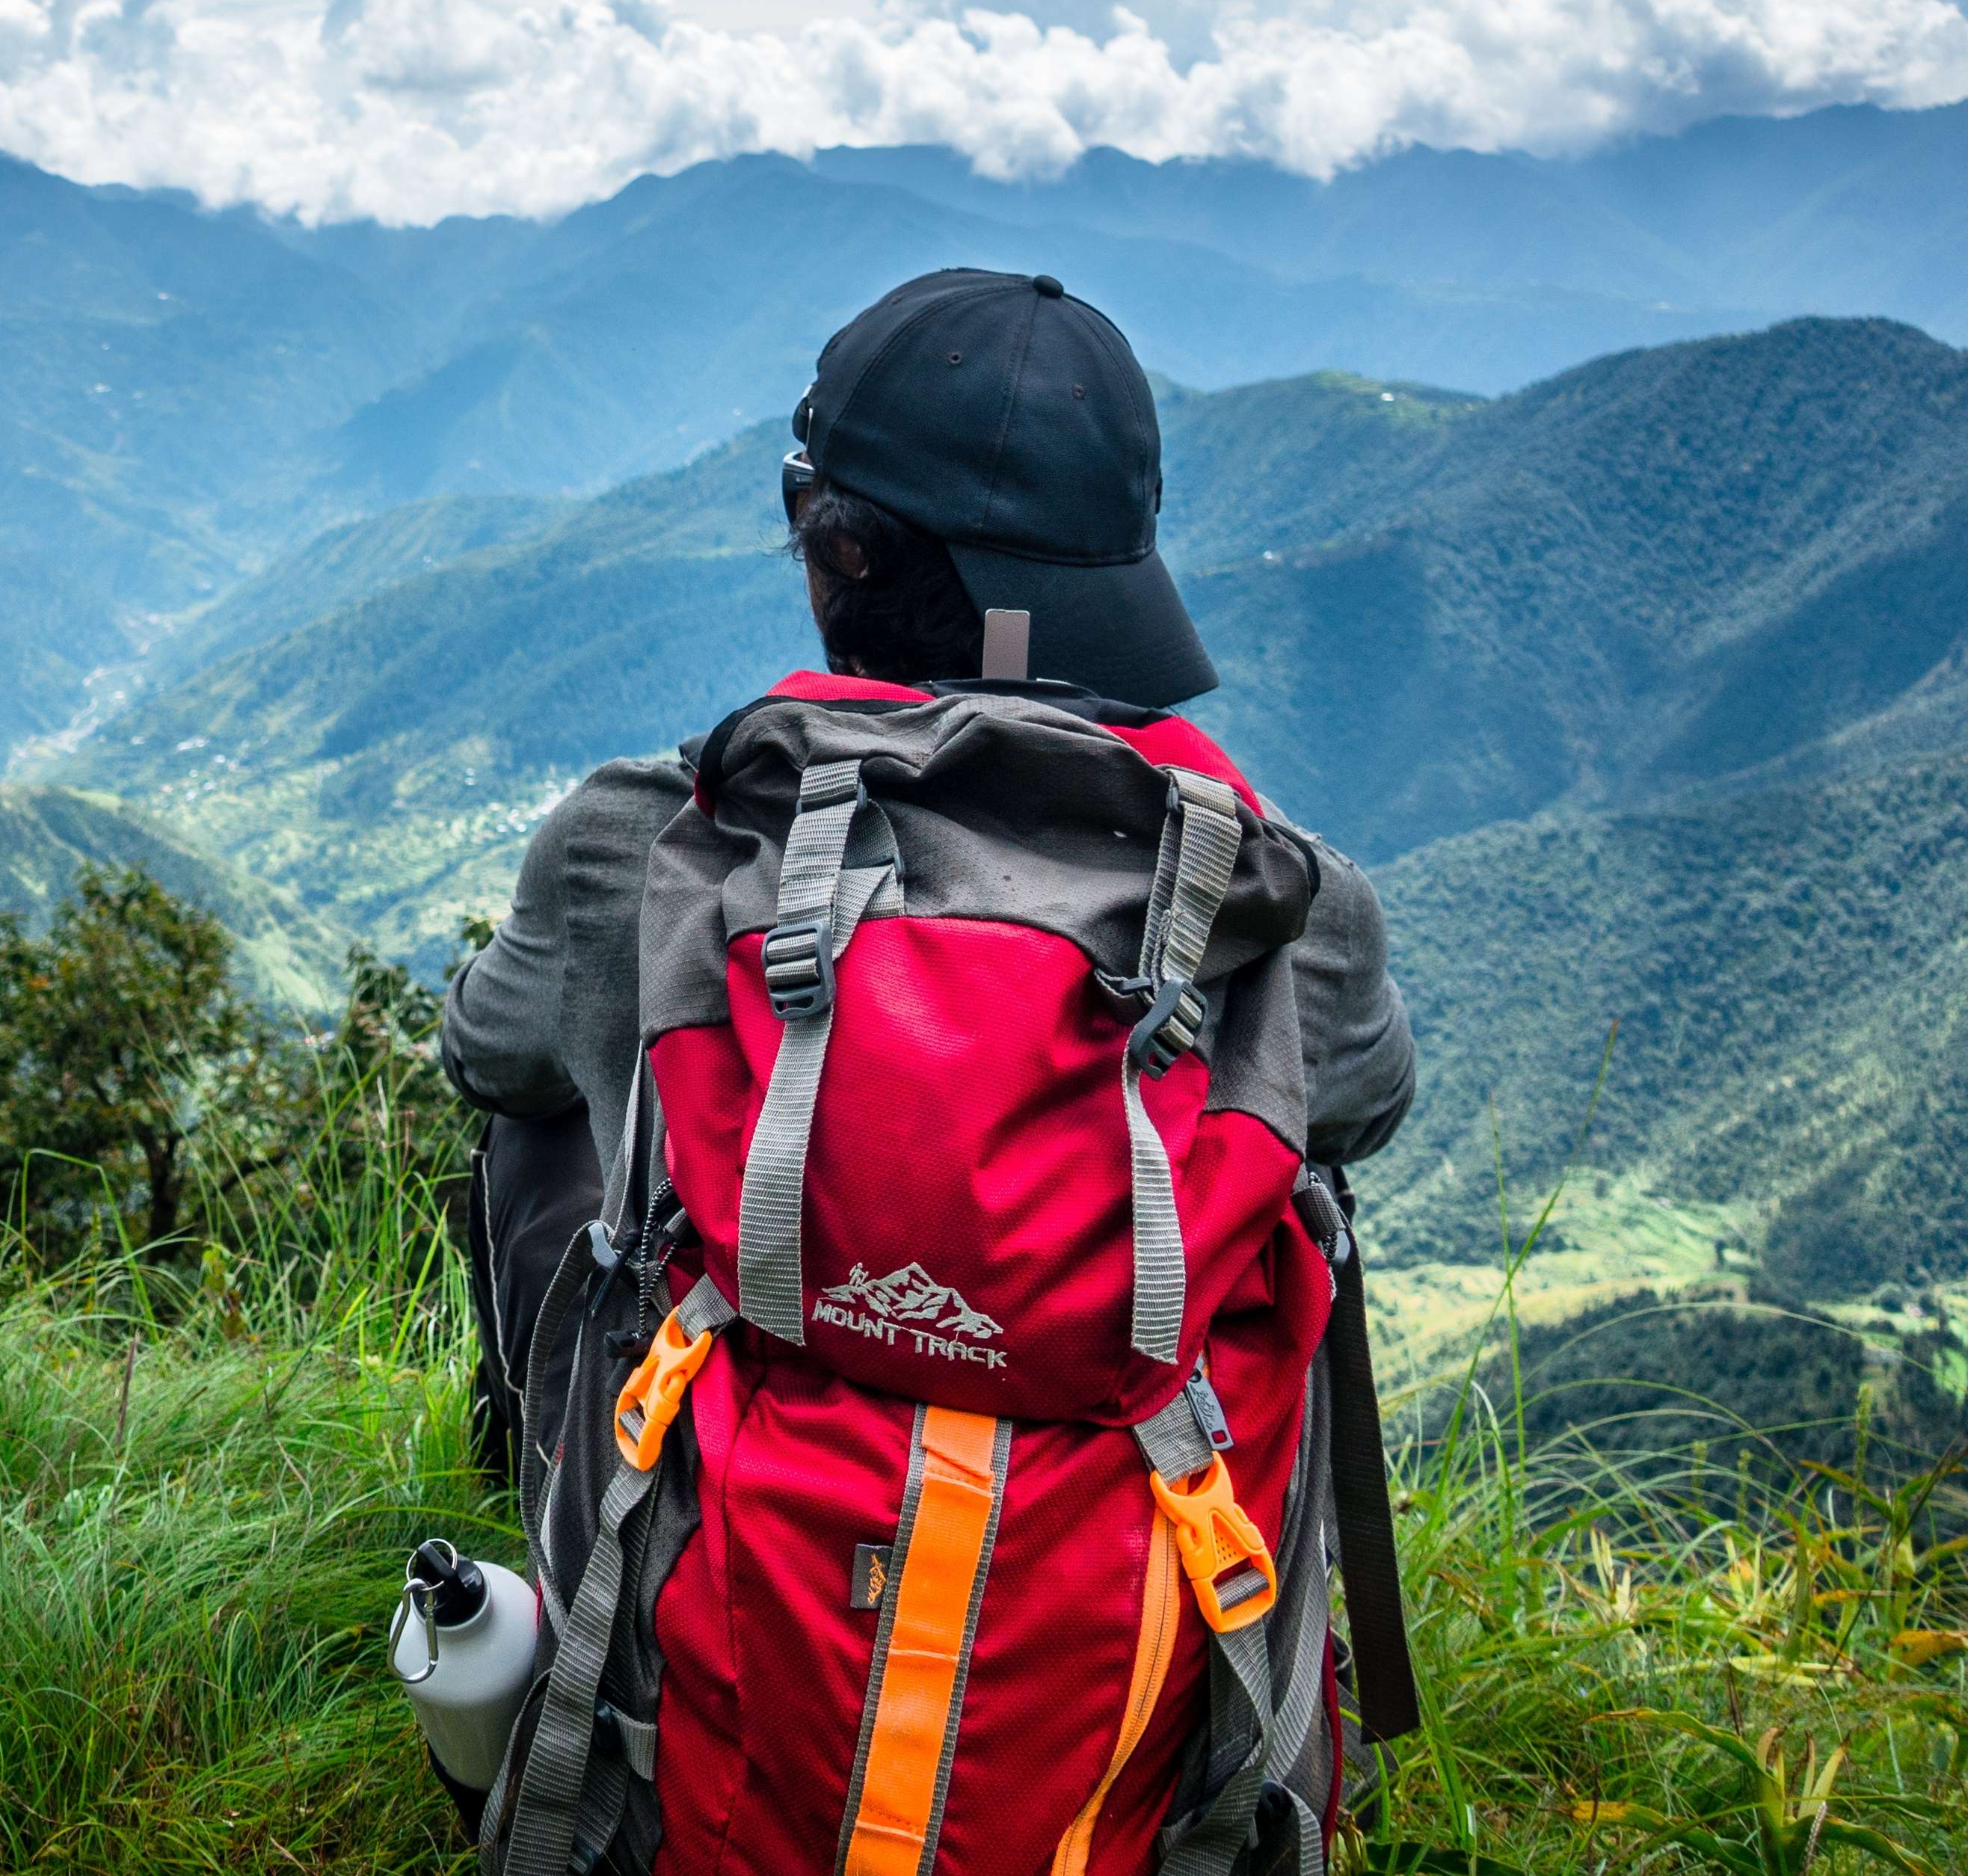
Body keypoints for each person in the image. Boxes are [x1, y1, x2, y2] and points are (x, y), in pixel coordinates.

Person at [440, 266, 1415, 1466]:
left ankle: (570, 1552)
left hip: (720, 1614)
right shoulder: (1292, 907)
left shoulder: (639, 842)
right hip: (1138, 1616)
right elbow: (1364, 1111)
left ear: (841, 550)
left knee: (538, 1132)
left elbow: (486, 1051)